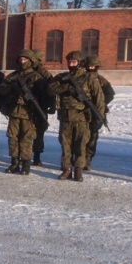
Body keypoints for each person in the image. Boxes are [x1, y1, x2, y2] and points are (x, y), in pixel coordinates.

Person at [47, 51, 106, 181]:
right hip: (66, 117)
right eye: (69, 62)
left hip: (82, 117)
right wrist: (66, 87)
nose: (71, 64)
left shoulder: (89, 78)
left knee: (81, 145)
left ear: (80, 63)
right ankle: (66, 169)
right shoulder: (62, 77)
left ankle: (78, 169)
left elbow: (99, 99)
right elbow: (51, 90)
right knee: (65, 144)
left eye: (73, 62)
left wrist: (99, 117)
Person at [0, 49, 49, 175]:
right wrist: (11, 89)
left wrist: (39, 111)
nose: (22, 61)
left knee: (26, 139)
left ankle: (26, 163)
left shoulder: (36, 77)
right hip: (14, 112)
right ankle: (14, 162)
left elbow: (44, 97)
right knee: (12, 137)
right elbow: (2, 90)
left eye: (25, 59)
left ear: (30, 61)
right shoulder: (13, 76)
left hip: (29, 113)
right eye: (20, 59)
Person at [83, 55, 115, 170]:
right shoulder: (81, 78)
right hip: (81, 112)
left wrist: (100, 103)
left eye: (93, 66)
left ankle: (87, 159)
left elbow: (110, 94)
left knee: (92, 137)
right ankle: (78, 158)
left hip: (96, 112)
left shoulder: (101, 80)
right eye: (89, 66)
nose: (90, 68)